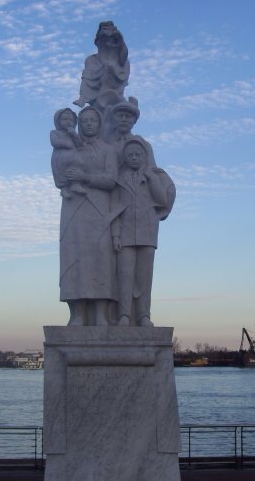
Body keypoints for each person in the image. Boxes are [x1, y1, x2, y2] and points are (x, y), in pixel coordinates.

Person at [58, 107, 118, 326]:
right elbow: (59, 172)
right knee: (74, 259)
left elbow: (111, 179)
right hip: (74, 208)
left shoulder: (108, 150)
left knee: (101, 259)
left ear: (99, 123)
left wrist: (84, 177)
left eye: (93, 120)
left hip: (99, 210)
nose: (89, 123)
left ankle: (101, 313)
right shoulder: (70, 148)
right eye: (85, 120)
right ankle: (77, 313)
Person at [111, 139, 175, 327]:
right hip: (125, 234)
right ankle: (124, 315)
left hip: (147, 233)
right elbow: (114, 210)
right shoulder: (119, 179)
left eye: (137, 155)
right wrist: (115, 235)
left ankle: (143, 316)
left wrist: (152, 178)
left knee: (144, 278)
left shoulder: (152, 177)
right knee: (125, 276)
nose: (134, 158)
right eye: (130, 155)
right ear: (125, 157)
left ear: (144, 157)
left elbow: (162, 200)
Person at [73, 21, 130, 111]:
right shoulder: (100, 39)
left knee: (109, 66)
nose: (105, 29)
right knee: (89, 65)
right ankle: (83, 97)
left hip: (115, 66)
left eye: (107, 27)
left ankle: (106, 96)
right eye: (103, 28)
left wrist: (117, 36)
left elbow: (123, 54)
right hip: (99, 61)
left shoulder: (116, 36)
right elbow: (99, 43)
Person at [105, 97, 157, 168]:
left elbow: (152, 170)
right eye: (120, 116)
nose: (124, 119)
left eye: (128, 117)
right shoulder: (105, 141)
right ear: (114, 118)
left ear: (134, 121)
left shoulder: (144, 145)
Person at [50, 108, 86, 198]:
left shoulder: (73, 134)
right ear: (58, 121)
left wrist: (74, 135)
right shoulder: (55, 133)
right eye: (65, 119)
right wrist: (65, 143)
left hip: (74, 157)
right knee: (61, 172)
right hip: (60, 157)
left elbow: (80, 144)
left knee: (77, 167)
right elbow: (54, 142)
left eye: (70, 120)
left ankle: (75, 184)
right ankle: (63, 189)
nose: (68, 122)